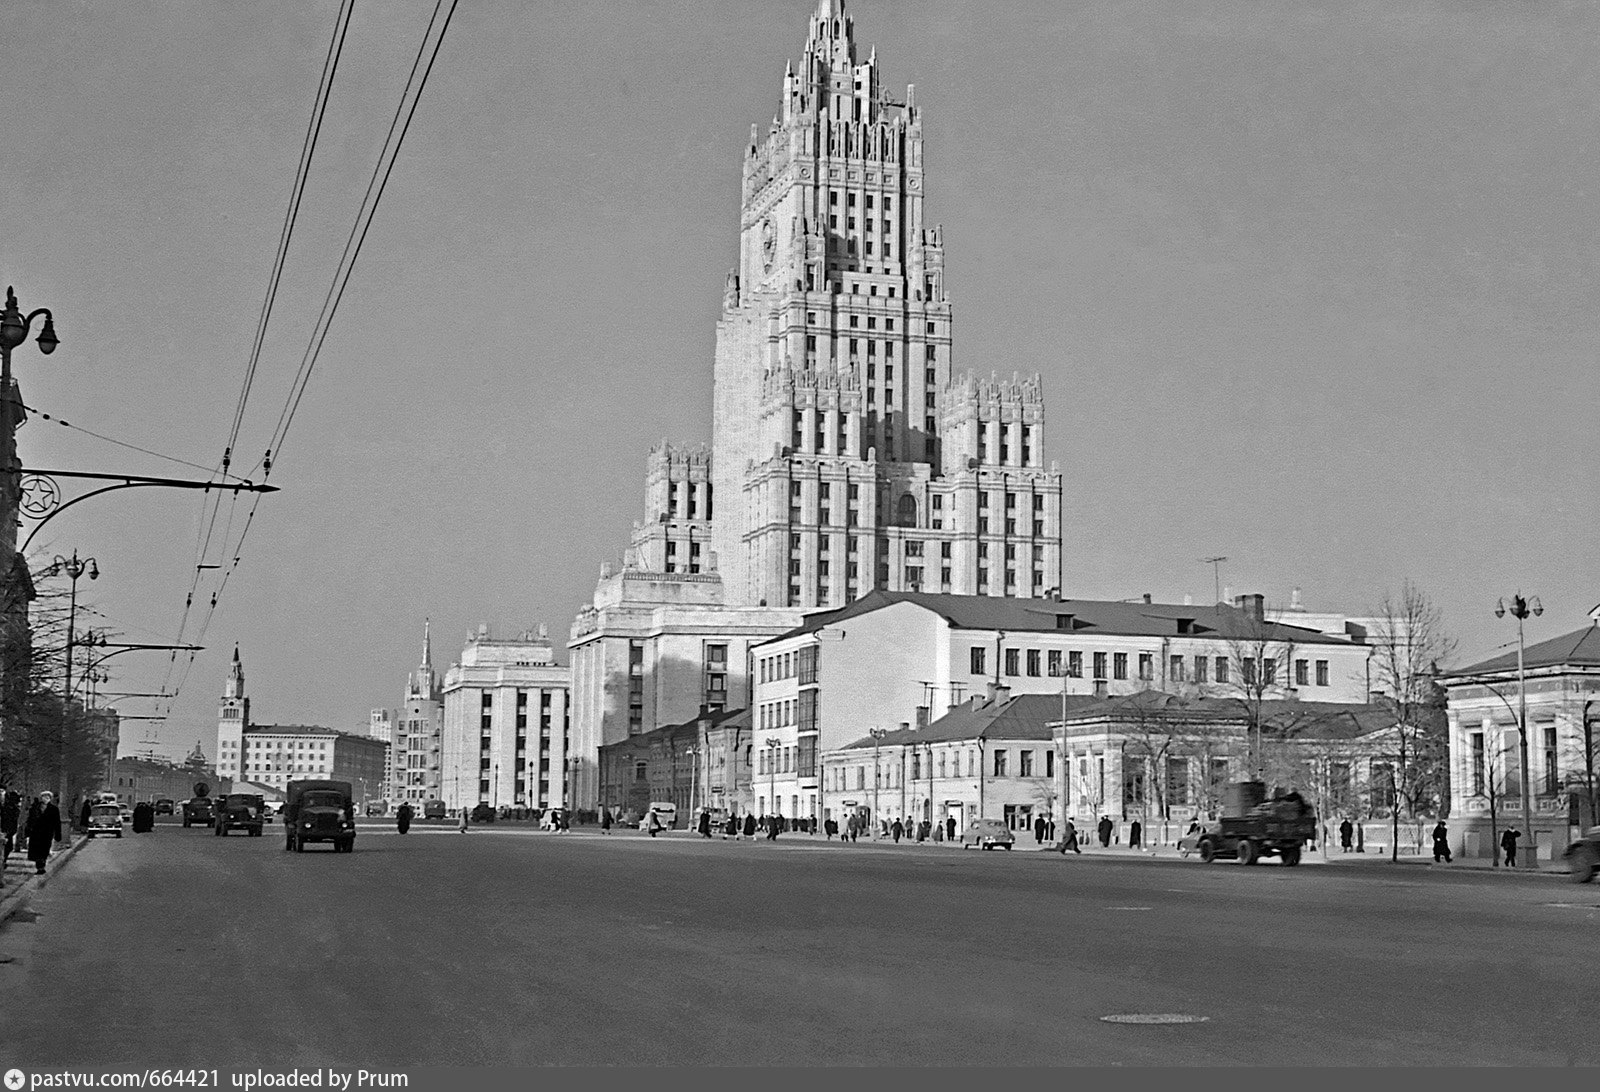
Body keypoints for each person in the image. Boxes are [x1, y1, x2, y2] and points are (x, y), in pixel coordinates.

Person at [23, 791, 63, 875]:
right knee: (36, 850)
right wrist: (27, 832)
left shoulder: (54, 809)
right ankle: (39, 866)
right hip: (36, 832)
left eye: (48, 798)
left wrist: (58, 834)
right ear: (41, 798)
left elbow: (57, 822)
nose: (46, 799)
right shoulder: (35, 808)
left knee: (44, 850)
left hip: (47, 833)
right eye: (44, 797)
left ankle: (41, 866)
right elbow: (30, 820)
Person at [1, 788, 21, 875]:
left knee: (8, 848)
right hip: (3, 831)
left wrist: (8, 832)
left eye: (2, 792)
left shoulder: (11, 806)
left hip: (7, 831)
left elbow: (14, 819)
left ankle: (4, 862)